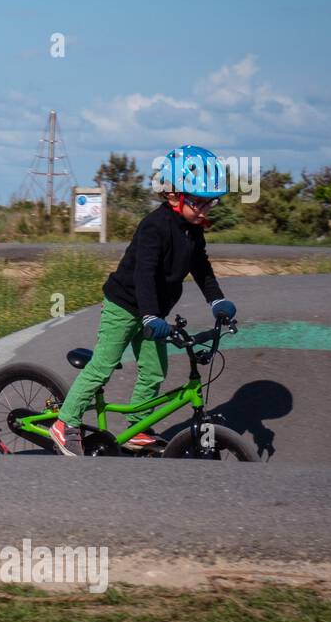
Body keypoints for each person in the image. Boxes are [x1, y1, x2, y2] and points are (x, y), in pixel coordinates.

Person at [49, 145, 239, 457]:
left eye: (210, 203)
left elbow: (201, 267)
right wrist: (150, 316)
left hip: (154, 313)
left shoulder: (193, 230)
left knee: (154, 371)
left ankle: (137, 425)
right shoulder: (154, 226)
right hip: (125, 305)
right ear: (173, 195)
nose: (205, 210)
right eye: (198, 202)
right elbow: (144, 275)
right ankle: (65, 422)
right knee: (103, 365)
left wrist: (217, 301)